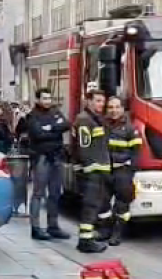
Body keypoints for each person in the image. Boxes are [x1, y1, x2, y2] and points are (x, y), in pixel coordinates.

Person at [26, 88, 71, 241]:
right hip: (42, 158)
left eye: (49, 98)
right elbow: (38, 134)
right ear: (38, 99)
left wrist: (50, 128)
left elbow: (66, 124)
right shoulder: (32, 116)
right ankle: (35, 227)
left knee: (55, 193)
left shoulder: (55, 112)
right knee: (38, 193)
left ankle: (53, 226)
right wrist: (55, 129)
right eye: (44, 98)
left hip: (57, 157)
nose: (47, 101)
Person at [73, 90, 112, 254]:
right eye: (97, 100)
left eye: (102, 101)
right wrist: (88, 167)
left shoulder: (96, 119)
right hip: (92, 170)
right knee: (90, 205)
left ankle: (93, 236)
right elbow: (84, 147)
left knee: (97, 204)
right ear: (88, 101)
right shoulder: (84, 120)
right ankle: (85, 241)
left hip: (99, 169)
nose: (101, 104)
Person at [100, 96, 141, 246]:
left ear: (122, 109)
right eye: (111, 107)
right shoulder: (101, 126)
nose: (114, 110)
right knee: (102, 202)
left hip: (122, 171)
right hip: (105, 170)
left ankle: (117, 233)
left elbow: (136, 153)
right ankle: (105, 231)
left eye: (117, 107)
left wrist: (130, 172)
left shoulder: (130, 128)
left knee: (122, 205)